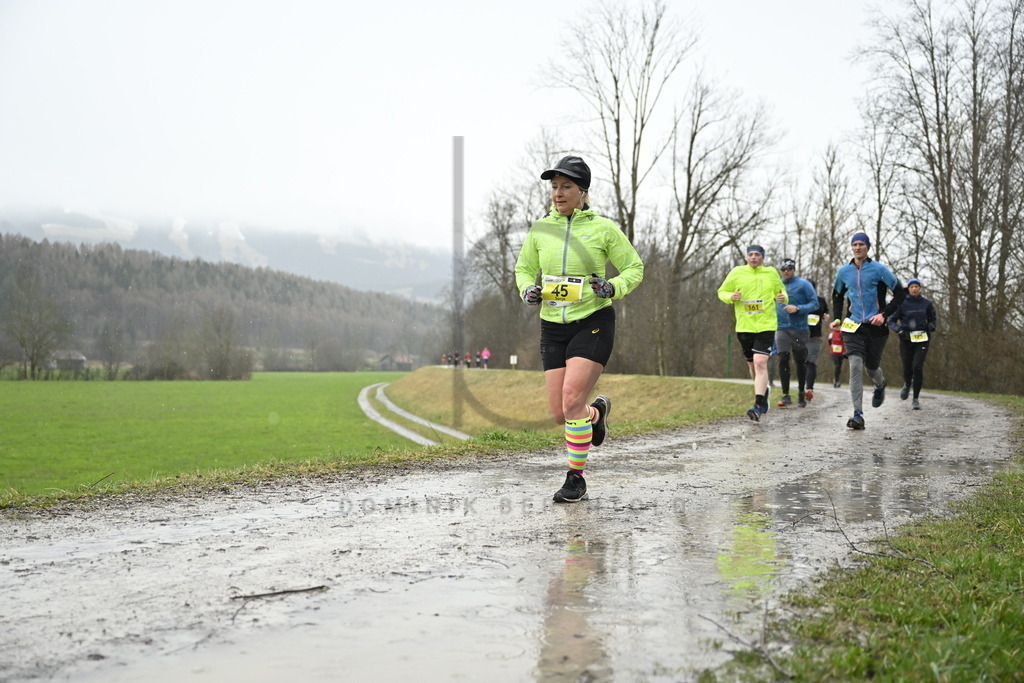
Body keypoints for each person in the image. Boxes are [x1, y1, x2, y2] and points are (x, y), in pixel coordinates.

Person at [514, 155, 644, 503]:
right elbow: (524, 269)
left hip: (593, 320)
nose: (558, 193)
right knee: (561, 413)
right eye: (554, 187)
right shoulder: (541, 230)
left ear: (582, 191)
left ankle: (576, 479)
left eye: (566, 186)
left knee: (572, 398)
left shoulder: (603, 229)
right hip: (552, 325)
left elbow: (634, 267)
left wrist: (613, 287)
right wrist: (527, 288)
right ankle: (596, 414)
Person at [830, 232, 905, 429]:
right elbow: (837, 295)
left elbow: (900, 293)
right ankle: (858, 414)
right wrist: (837, 318)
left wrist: (884, 315)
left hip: (876, 327)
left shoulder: (879, 269)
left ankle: (880, 385)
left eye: (861, 244)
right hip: (853, 325)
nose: (857, 248)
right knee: (854, 364)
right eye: (854, 244)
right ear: (851, 248)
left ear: (867, 247)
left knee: (872, 368)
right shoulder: (844, 272)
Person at [717, 245, 788, 422]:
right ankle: (763, 392)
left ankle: (758, 405)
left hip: (766, 325)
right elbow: (721, 292)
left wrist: (782, 298)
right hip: (745, 326)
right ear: (747, 257)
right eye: (751, 255)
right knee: (752, 366)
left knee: (760, 362)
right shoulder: (737, 273)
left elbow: (782, 293)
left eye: (757, 255)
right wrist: (730, 297)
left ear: (763, 257)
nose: (754, 257)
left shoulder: (771, 273)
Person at [774, 259, 818, 408]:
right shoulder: (776, 285)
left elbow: (814, 303)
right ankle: (785, 394)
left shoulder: (804, 284)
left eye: (789, 268)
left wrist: (798, 308)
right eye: (783, 269)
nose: (786, 271)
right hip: (781, 328)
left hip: (799, 329)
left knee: (800, 361)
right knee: (783, 358)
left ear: (794, 269)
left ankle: (801, 393)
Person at [888, 278, 937, 410]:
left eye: (916, 286)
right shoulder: (902, 303)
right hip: (906, 339)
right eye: (912, 287)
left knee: (917, 367)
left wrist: (931, 326)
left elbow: (933, 319)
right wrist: (899, 330)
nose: (914, 289)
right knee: (907, 367)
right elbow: (891, 321)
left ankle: (915, 399)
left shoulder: (927, 304)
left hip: (922, 338)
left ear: (920, 288)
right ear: (908, 289)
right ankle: (908, 383)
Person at [803, 280, 830, 402]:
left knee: (810, 362)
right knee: (805, 362)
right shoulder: (799, 300)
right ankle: (805, 388)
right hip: (801, 335)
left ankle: (809, 389)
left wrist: (826, 315)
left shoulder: (820, 300)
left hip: (814, 336)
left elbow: (826, 312)